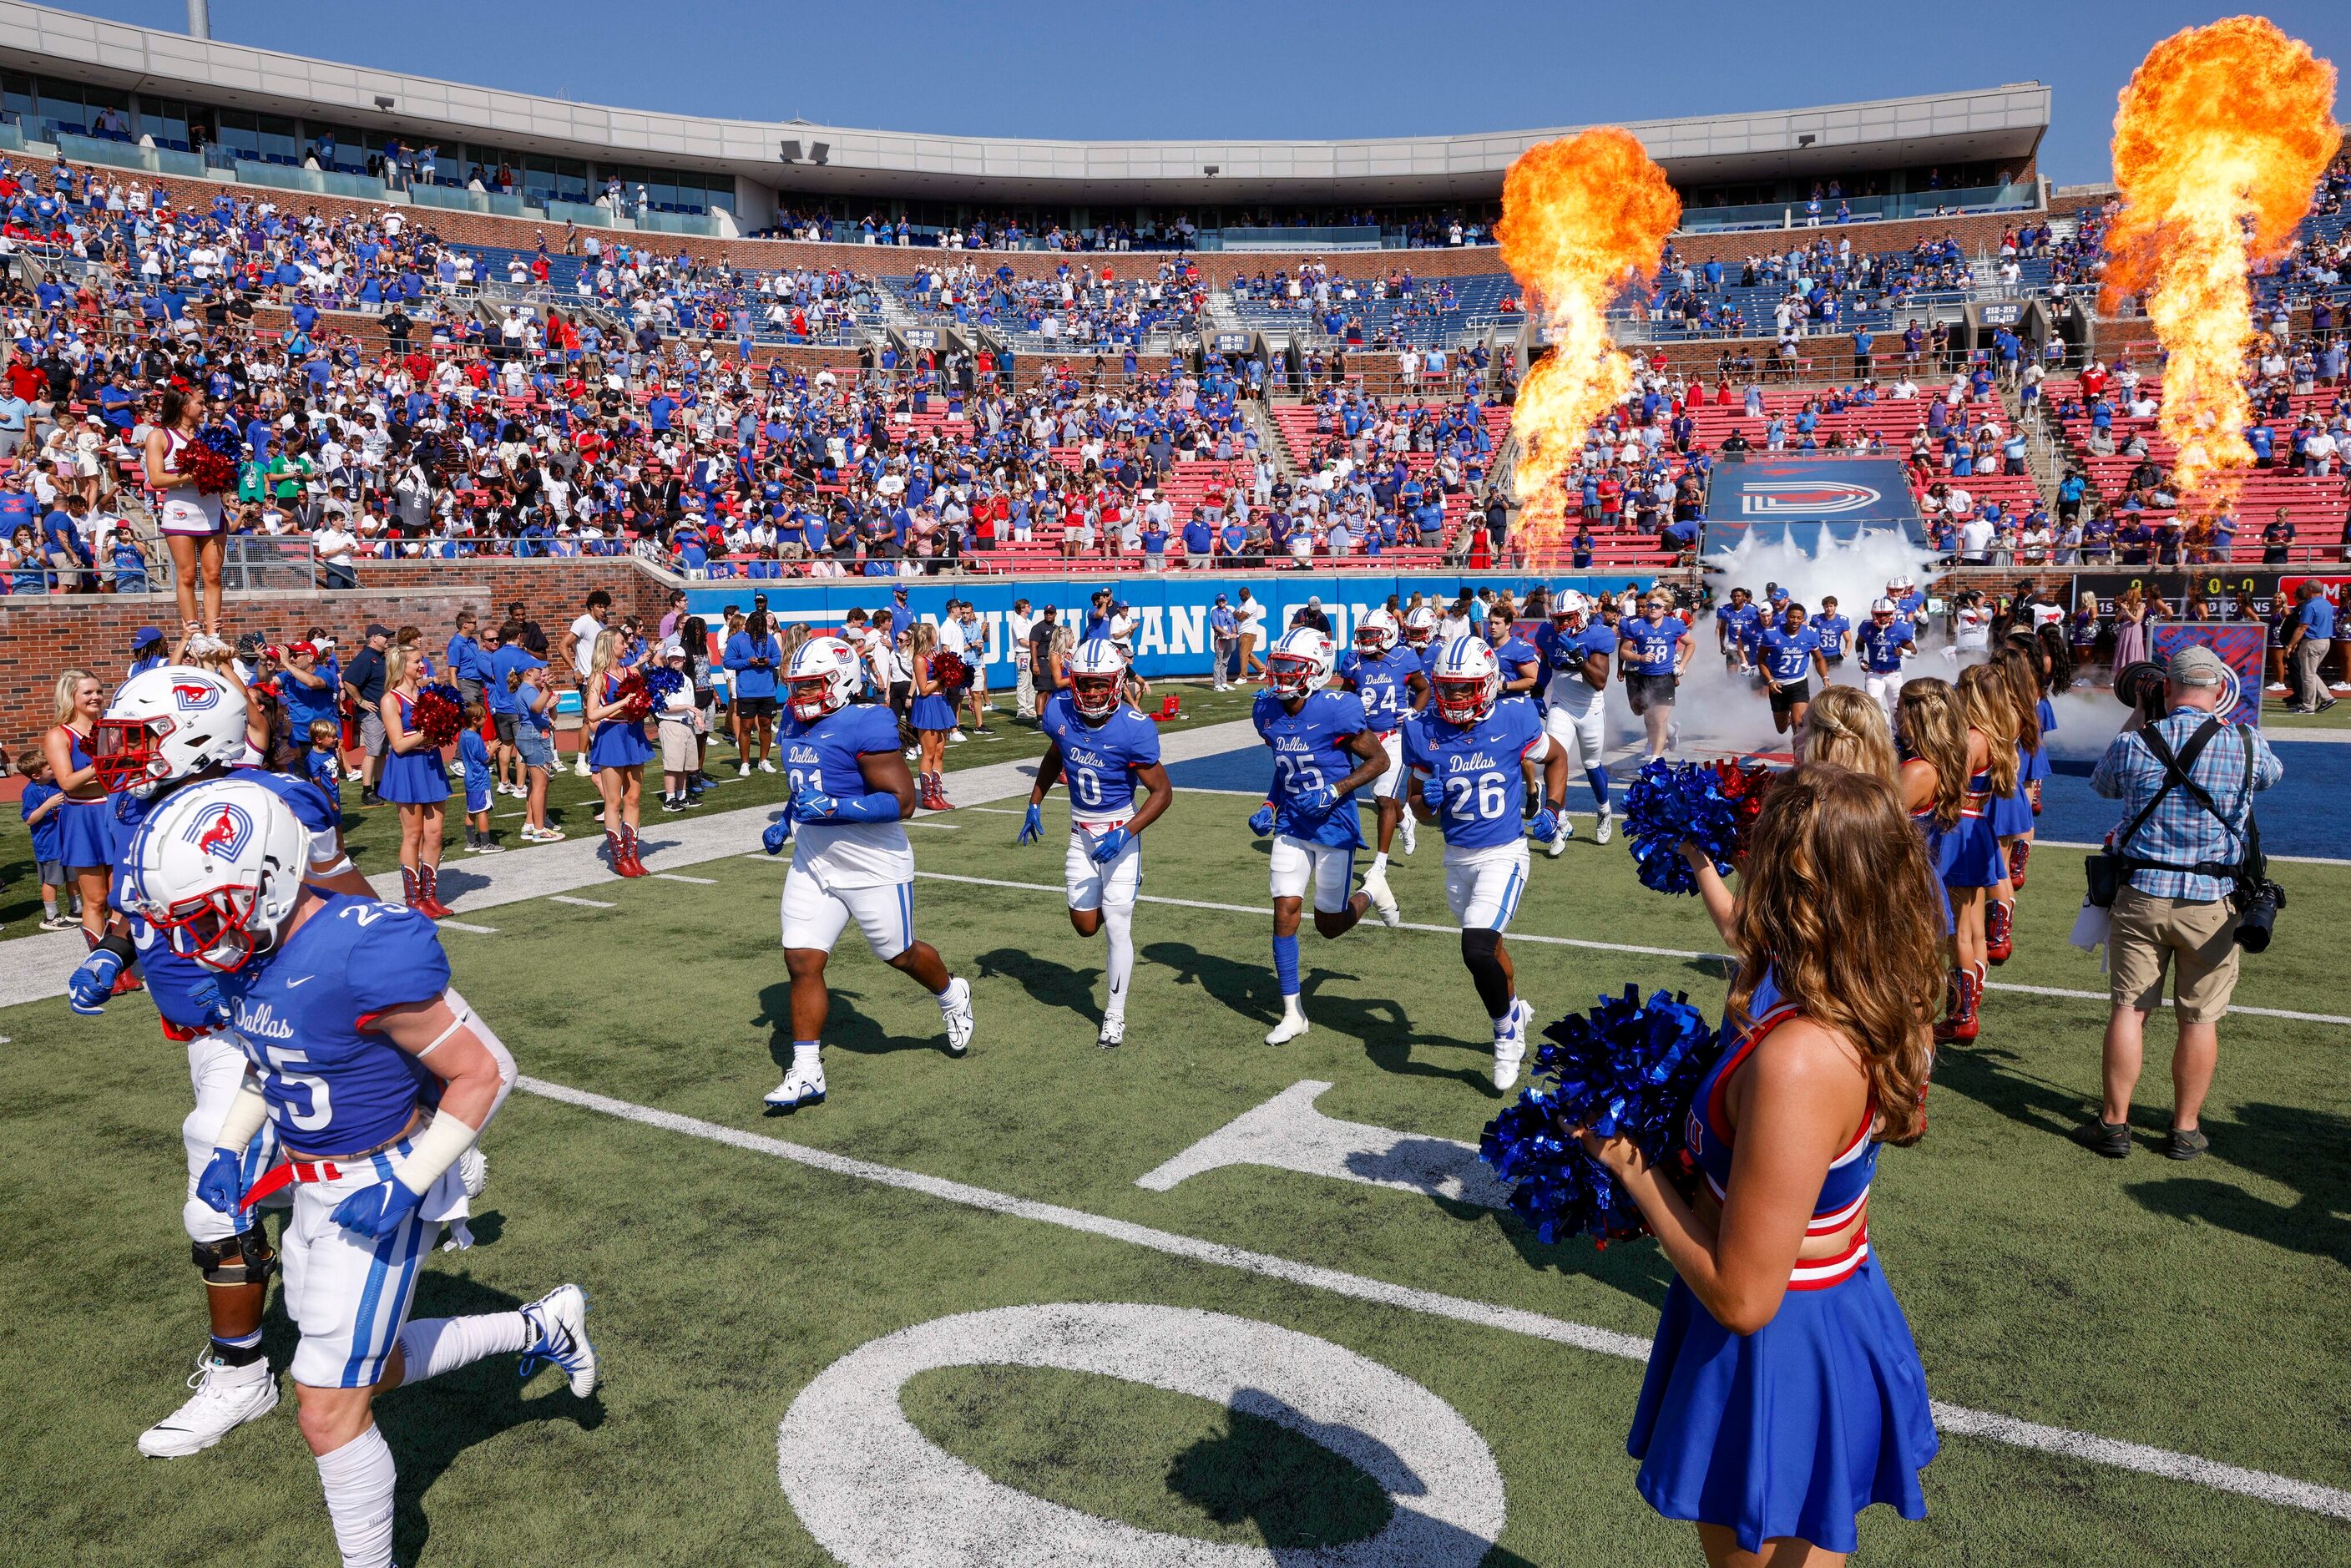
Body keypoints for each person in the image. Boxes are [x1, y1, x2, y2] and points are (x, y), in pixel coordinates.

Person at [120, 777, 594, 1568]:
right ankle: (541, 1326)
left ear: (270, 875)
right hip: (311, 1181)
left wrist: (409, 1185)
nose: (197, 942)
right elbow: (266, 1067)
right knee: (355, 1365)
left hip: (382, 1175)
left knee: (327, 1408)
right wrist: (233, 1148)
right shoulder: (252, 948)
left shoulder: (363, 945)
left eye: (206, 918)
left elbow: (487, 1071)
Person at [1598, 764, 1941, 1562]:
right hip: (1831, 1296)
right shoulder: (1857, 982)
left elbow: (1743, 1298)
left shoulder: (1802, 1058)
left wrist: (1626, 1163)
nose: (1747, 869)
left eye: (1761, 853)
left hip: (1778, 1344)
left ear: (1800, 884)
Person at [70, 665, 377, 1460]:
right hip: (204, 1033)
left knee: (218, 1196)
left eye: (137, 741)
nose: (119, 757)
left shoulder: (272, 798)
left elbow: (352, 901)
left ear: (195, 736)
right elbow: (145, 908)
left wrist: (384, 979)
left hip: (264, 1022)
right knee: (277, 1195)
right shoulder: (139, 804)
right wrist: (113, 956)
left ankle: (242, 1377)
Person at [2081, 645, 2283, 1161]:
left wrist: (2143, 716)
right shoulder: (2244, 740)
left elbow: (2102, 785)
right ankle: (2185, 1128)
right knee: (2199, 1018)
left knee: (2130, 1009)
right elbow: (2272, 776)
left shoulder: (2135, 740)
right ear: (2219, 691)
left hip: (2143, 893)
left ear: (2165, 688)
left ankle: (2114, 1123)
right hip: (2212, 901)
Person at [760, 635, 975, 1110]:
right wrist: (787, 818)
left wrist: (833, 807)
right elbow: (807, 788)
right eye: (797, 687)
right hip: (815, 859)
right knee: (801, 960)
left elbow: (902, 803)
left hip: (873, 863)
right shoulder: (791, 721)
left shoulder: (865, 721)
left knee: (898, 953)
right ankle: (807, 1070)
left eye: (813, 686)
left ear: (841, 680)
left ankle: (950, 991)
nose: (802, 697)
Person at [1403, 635, 1569, 1089]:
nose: (1453, 697)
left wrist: (1553, 808)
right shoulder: (1421, 730)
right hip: (1456, 857)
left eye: (1463, 688)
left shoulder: (1515, 717)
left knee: (1475, 947)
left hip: (1505, 852)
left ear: (1489, 683)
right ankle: (1514, 1008)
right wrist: (1424, 804)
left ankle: (1504, 1031)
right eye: (1446, 687)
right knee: (1490, 950)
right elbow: (1416, 803)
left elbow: (1556, 757)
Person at [1017, 639, 1174, 1048]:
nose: (1090, 692)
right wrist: (1035, 800)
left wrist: (1127, 832)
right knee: (1086, 926)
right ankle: (1112, 899)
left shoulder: (1133, 727)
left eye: (1099, 684)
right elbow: (1057, 753)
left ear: (1116, 681)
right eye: (1084, 683)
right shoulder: (1060, 711)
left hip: (1120, 832)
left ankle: (1114, 1015)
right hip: (1079, 833)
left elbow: (1162, 792)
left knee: (1117, 924)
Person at [1251, 626, 1398, 1047]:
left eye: (1291, 668)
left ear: (1316, 671)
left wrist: (1336, 789)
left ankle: (1372, 891)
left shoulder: (1337, 709)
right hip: (1293, 825)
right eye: (1278, 666)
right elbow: (1286, 771)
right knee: (1284, 912)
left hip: (1334, 826)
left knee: (1329, 927)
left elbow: (1381, 760)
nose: (1280, 676)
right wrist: (1269, 805)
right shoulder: (1267, 711)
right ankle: (1292, 1013)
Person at [1337, 607, 1430, 905]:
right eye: (1363, 635)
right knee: (1384, 801)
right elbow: (1346, 693)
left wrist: (1414, 710)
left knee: (1383, 798)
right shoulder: (1353, 662)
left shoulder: (1403, 658)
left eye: (1371, 635)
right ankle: (1405, 822)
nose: (1365, 641)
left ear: (1388, 636)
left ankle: (1380, 863)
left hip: (1393, 737)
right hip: (1363, 739)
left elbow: (1423, 688)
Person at [1533, 592, 1617, 852]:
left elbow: (1600, 682)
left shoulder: (1598, 634)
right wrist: (1538, 690)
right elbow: (1547, 663)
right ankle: (1561, 821)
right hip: (1561, 706)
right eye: (1558, 619)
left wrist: (1579, 658)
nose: (1563, 624)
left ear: (1580, 613)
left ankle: (1604, 811)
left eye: (1568, 617)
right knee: (1553, 758)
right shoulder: (1547, 633)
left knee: (1592, 764)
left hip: (1590, 708)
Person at [144, 387, 226, 638]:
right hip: (181, 509)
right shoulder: (159, 436)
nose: (205, 408)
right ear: (183, 407)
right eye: (200, 403)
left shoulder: (209, 436)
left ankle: (214, 633)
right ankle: (194, 632)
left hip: (212, 509)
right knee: (188, 574)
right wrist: (193, 475)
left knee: (213, 574)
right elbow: (156, 479)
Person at [43, 668, 118, 946]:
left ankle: (119, 961)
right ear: (70, 696)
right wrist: (103, 763)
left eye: (99, 691)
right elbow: (67, 783)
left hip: (115, 812)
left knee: (120, 897)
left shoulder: (112, 728)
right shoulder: (58, 735)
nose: (96, 697)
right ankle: (100, 962)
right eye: (88, 692)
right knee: (96, 899)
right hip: (84, 817)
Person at [378, 645, 453, 916]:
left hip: (431, 764)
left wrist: (446, 724)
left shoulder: (425, 694)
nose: (422, 666)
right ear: (401, 666)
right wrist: (429, 729)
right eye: (417, 662)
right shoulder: (390, 700)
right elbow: (398, 744)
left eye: (421, 662)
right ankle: (414, 899)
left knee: (435, 834)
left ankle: (430, 895)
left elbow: (433, 732)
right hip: (407, 768)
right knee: (413, 834)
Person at [584, 628, 655, 877]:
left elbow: (643, 702)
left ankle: (633, 856)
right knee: (613, 801)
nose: (626, 646)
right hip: (612, 737)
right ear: (608, 646)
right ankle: (619, 858)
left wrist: (644, 703)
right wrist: (624, 703)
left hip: (634, 735)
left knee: (633, 799)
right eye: (622, 643)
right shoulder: (597, 677)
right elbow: (592, 714)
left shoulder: (632, 672)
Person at [1620, 592, 1691, 759]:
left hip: (1664, 677)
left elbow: (1691, 644)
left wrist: (1682, 666)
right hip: (1643, 676)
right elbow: (1624, 651)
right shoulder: (1637, 625)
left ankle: (1655, 758)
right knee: (1649, 718)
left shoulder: (1674, 625)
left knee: (1659, 721)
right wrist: (1640, 658)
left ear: (1665, 609)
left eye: (1657, 606)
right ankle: (1672, 732)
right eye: (1650, 605)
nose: (1652, 609)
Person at [1757, 601, 1827, 756]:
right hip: (1778, 684)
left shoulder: (1810, 634)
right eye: (1792, 617)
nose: (1795, 620)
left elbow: (1819, 659)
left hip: (1798, 683)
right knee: (1781, 729)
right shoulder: (1772, 634)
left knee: (1799, 724)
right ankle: (1787, 717)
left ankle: (1799, 760)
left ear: (1803, 619)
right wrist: (1770, 681)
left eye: (1799, 618)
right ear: (1786, 617)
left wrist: (1825, 677)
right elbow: (1760, 659)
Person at [18, 746, 74, 929]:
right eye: (49, 767)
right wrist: (47, 805)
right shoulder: (31, 792)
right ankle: (52, 917)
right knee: (51, 880)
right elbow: (29, 819)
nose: (53, 768)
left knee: (74, 876)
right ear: (36, 775)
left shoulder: (57, 782)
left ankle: (77, 910)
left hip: (67, 840)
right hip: (48, 844)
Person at [560, 589, 613, 779]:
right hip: (589, 678)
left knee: (599, 719)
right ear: (592, 606)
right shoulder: (582, 622)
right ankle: (580, 762)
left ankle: (593, 757)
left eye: (605, 606)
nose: (603, 610)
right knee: (587, 720)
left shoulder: (601, 625)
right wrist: (575, 668)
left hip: (602, 677)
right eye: (600, 606)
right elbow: (563, 645)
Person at [726, 608, 785, 774]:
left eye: (762, 627)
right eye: (757, 627)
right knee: (746, 727)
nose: (760, 630)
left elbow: (778, 658)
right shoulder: (736, 640)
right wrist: (747, 662)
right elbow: (728, 662)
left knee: (766, 726)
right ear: (749, 624)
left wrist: (768, 661)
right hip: (747, 691)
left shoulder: (770, 639)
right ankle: (744, 763)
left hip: (767, 690)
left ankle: (763, 760)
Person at [907, 622, 957, 812]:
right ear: (928, 637)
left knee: (940, 752)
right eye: (934, 633)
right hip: (928, 705)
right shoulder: (919, 660)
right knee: (928, 753)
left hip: (941, 703)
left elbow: (940, 686)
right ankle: (927, 797)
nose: (937, 636)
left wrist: (951, 676)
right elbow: (925, 689)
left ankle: (938, 794)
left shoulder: (936, 656)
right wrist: (941, 678)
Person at [340, 625, 392, 806]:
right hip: (372, 713)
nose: (388, 639)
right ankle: (367, 792)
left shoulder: (378, 657)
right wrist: (360, 701)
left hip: (382, 712)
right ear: (374, 638)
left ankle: (379, 789)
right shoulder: (366, 658)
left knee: (382, 752)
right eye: (385, 636)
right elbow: (348, 680)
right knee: (373, 751)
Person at [655, 639, 701, 812]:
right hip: (671, 724)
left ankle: (682, 795)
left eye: (679, 658)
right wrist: (689, 708)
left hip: (686, 724)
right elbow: (664, 707)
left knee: (684, 764)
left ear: (684, 660)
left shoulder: (687, 680)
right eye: (673, 658)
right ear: (667, 659)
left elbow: (691, 702)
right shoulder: (661, 678)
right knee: (672, 764)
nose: (676, 660)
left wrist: (696, 717)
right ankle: (669, 799)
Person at [2281, 581, 2338, 714]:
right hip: (2325, 641)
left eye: (2306, 588)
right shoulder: (2327, 604)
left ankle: (2308, 706)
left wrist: (2291, 645)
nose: (2304, 590)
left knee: (2307, 675)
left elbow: (2302, 627)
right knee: (2310, 673)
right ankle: (2326, 697)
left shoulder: (2310, 606)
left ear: (2311, 589)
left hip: (2312, 642)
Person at [1856, 597, 1916, 716]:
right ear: (1873, 615)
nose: (1883, 618)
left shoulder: (1900, 629)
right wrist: (1861, 659)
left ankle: (1896, 734)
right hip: (1874, 672)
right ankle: (1881, 729)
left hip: (1894, 673)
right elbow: (1859, 642)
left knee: (1896, 707)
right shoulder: (1867, 627)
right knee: (1873, 703)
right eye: (1879, 615)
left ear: (1892, 614)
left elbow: (1914, 652)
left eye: (1886, 614)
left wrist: (1903, 652)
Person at [458, 696, 500, 854]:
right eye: (483, 717)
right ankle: (486, 843)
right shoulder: (475, 738)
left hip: (469, 778)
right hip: (480, 779)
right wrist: (492, 749)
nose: (486, 719)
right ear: (475, 720)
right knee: (483, 810)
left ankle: (471, 842)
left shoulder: (464, 734)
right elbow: (485, 759)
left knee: (471, 810)